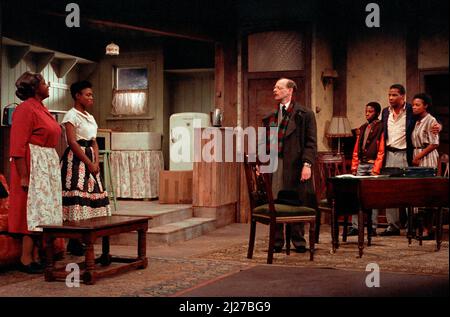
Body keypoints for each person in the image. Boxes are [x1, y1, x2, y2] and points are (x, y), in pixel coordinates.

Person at [8, 71, 63, 274]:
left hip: (45, 162)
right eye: (44, 82)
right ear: (34, 87)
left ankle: (38, 255)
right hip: (32, 163)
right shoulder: (25, 109)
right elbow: (17, 146)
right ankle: (26, 258)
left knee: (43, 209)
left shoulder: (41, 108)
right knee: (30, 210)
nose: (48, 85)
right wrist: (24, 175)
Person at [262, 78, 317, 253]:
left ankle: (298, 240)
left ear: (290, 90)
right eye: (274, 87)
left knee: (295, 202)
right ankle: (277, 241)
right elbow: (265, 143)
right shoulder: (271, 116)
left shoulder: (305, 114)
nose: (274, 90)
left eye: (278, 87)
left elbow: (311, 143)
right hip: (275, 165)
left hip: (295, 165)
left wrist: (307, 164)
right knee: (276, 201)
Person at [380, 84, 441, 236]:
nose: (391, 98)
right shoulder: (385, 112)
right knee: (390, 191)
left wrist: (439, 125)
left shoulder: (410, 109)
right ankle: (392, 226)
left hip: (407, 154)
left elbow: (429, 119)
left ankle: (412, 225)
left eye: (394, 95)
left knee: (410, 190)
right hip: (389, 153)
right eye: (389, 95)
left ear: (403, 96)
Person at [60, 80, 111, 255]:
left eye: (91, 94)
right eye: (87, 94)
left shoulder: (90, 117)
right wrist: (87, 162)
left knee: (92, 196)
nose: (91, 97)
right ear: (77, 96)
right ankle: (73, 240)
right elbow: (72, 142)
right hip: (76, 159)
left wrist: (95, 162)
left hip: (90, 155)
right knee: (78, 195)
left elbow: (94, 141)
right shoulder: (71, 116)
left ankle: (85, 238)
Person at [348, 102, 385, 237]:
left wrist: (376, 168)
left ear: (376, 113)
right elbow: (357, 149)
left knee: (372, 197)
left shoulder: (381, 127)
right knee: (357, 196)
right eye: (366, 111)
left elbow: (381, 149)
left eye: (370, 111)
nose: (367, 114)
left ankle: (372, 226)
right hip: (361, 164)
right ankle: (356, 226)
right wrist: (354, 166)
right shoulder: (363, 127)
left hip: (373, 164)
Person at [411, 93, 439, 239]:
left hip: (426, 157)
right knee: (418, 195)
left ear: (426, 105)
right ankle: (420, 228)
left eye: (418, 105)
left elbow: (434, 143)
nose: (414, 107)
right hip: (417, 156)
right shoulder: (417, 121)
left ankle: (428, 229)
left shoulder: (431, 120)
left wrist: (419, 156)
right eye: (413, 105)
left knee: (427, 194)